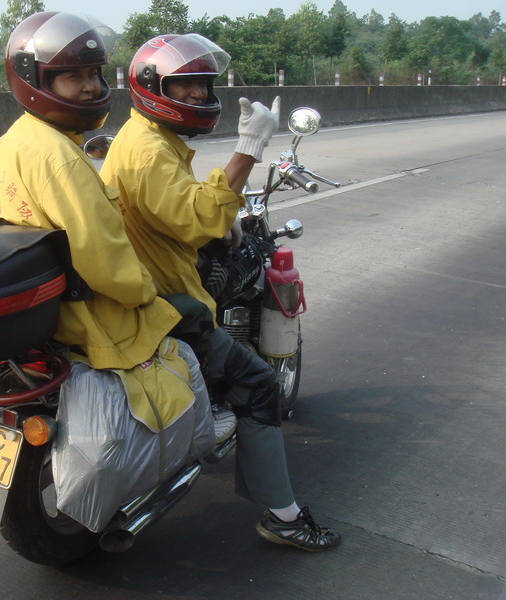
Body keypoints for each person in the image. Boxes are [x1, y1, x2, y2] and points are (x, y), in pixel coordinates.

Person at [100, 33, 341, 552]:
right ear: (151, 88)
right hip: (161, 298)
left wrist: (219, 215)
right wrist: (247, 151)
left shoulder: (146, 138)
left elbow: (179, 209)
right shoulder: (148, 152)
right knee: (258, 385)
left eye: (203, 86)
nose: (198, 97)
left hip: (143, 278)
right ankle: (283, 517)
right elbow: (197, 218)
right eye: (185, 88)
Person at [0, 11, 182, 371]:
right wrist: (149, 293)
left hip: (33, 309)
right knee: (242, 370)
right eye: (73, 76)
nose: (90, 87)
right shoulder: (59, 157)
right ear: (33, 80)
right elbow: (103, 259)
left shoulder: (11, 141)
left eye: (93, 74)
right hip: (87, 321)